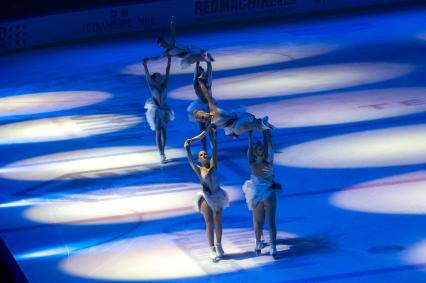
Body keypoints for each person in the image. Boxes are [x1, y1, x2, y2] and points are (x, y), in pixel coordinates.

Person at [184, 126, 228, 262]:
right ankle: (212, 249)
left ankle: (219, 245)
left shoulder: (214, 164)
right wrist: (188, 149)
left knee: (218, 220)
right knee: (209, 223)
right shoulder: (199, 169)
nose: (204, 155)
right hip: (206, 197)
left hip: (218, 195)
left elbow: (214, 148)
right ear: (200, 159)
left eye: (205, 154)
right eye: (201, 155)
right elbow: (190, 161)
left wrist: (213, 136)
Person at [194, 62, 273, 138]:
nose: (203, 120)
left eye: (202, 117)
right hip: (233, 127)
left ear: (204, 112)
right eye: (202, 120)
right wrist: (192, 140)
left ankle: (263, 124)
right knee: (239, 129)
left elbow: (207, 93)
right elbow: (204, 133)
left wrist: (201, 82)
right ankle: (261, 125)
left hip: (238, 119)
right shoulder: (211, 124)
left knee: (251, 123)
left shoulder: (213, 109)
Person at [243, 130, 281, 259]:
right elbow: (251, 150)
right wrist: (251, 135)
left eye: (261, 147)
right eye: (258, 147)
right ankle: (261, 243)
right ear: (255, 151)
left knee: (268, 222)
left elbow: (268, 146)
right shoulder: (258, 162)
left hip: (264, 193)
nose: (260, 149)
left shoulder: (265, 161)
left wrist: (265, 134)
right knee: (259, 222)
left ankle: (271, 246)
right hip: (261, 194)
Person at [142, 55, 174, 163]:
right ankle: (161, 154)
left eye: (160, 76)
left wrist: (169, 60)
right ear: (155, 79)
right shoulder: (152, 86)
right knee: (158, 132)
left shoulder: (164, 85)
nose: (160, 77)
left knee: (164, 132)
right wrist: (145, 65)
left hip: (164, 110)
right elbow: (147, 76)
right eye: (158, 76)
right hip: (155, 111)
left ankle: (163, 153)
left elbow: (168, 71)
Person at [187, 61, 213, 151]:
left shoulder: (207, 82)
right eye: (201, 72)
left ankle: (212, 146)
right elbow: (195, 75)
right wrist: (197, 62)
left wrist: (208, 63)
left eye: (203, 72)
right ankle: (205, 149)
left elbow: (209, 71)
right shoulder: (196, 83)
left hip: (209, 106)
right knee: (202, 131)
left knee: (211, 129)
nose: (203, 73)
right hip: (200, 108)